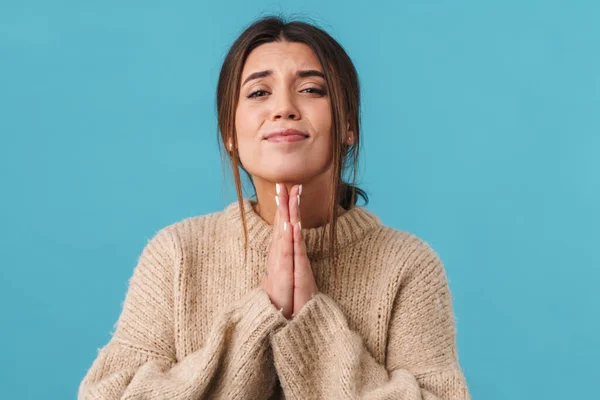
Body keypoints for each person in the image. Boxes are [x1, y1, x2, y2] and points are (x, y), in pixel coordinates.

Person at [78, 15, 471, 400]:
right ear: (230, 132)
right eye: (259, 92)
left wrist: (312, 324)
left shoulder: (408, 266)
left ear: (348, 124)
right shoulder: (177, 255)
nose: (283, 108)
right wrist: (261, 312)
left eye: (312, 90)